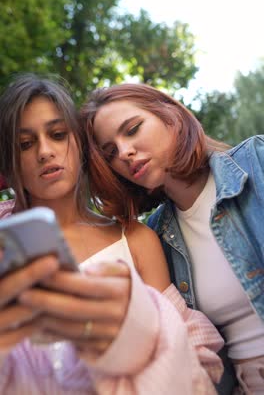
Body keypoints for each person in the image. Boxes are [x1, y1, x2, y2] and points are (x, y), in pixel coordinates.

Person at [0, 74, 224, 394]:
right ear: (10, 161)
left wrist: (133, 329)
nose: (45, 151)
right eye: (25, 144)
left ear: (79, 145)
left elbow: (194, 353)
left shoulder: (135, 239)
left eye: (58, 134)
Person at [82, 82, 264, 395]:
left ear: (171, 116)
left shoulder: (256, 162)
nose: (125, 152)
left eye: (133, 129)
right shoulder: (155, 236)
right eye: (110, 152)